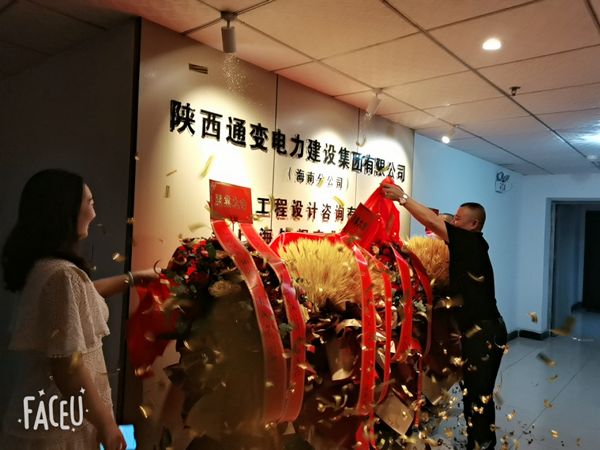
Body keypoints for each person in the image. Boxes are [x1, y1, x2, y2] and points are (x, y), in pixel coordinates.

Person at [1, 169, 156, 450]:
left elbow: (81, 297)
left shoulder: (46, 268)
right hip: (60, 422)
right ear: (65, 210)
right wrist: (107, 425)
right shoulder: (62, 275)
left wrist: (134, 278)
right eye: (90, 203)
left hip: (43, 414)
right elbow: (68, 369)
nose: (94, 214)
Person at [381, 182, 507, 450]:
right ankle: (477, 442)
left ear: (474, 224)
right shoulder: (467, 246)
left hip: (485, 333)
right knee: (472, 393)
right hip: (478, 331)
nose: (453, 222)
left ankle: (483, 444)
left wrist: (402, 197)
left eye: (459, 219)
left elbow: (431, 220)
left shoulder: (471, 242)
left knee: (479, 395)